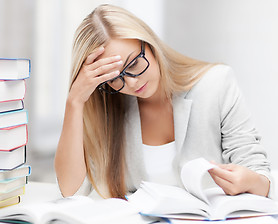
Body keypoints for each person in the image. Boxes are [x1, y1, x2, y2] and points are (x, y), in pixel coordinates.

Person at [54, 4, 273, 199]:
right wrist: (75, 101)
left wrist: (251, 181)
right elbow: (70, 191)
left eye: (133, 65)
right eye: (114, 79)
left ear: (150, 45)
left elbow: (260, 176)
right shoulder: (109, 107)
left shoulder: (216, 84)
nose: (131, 83)